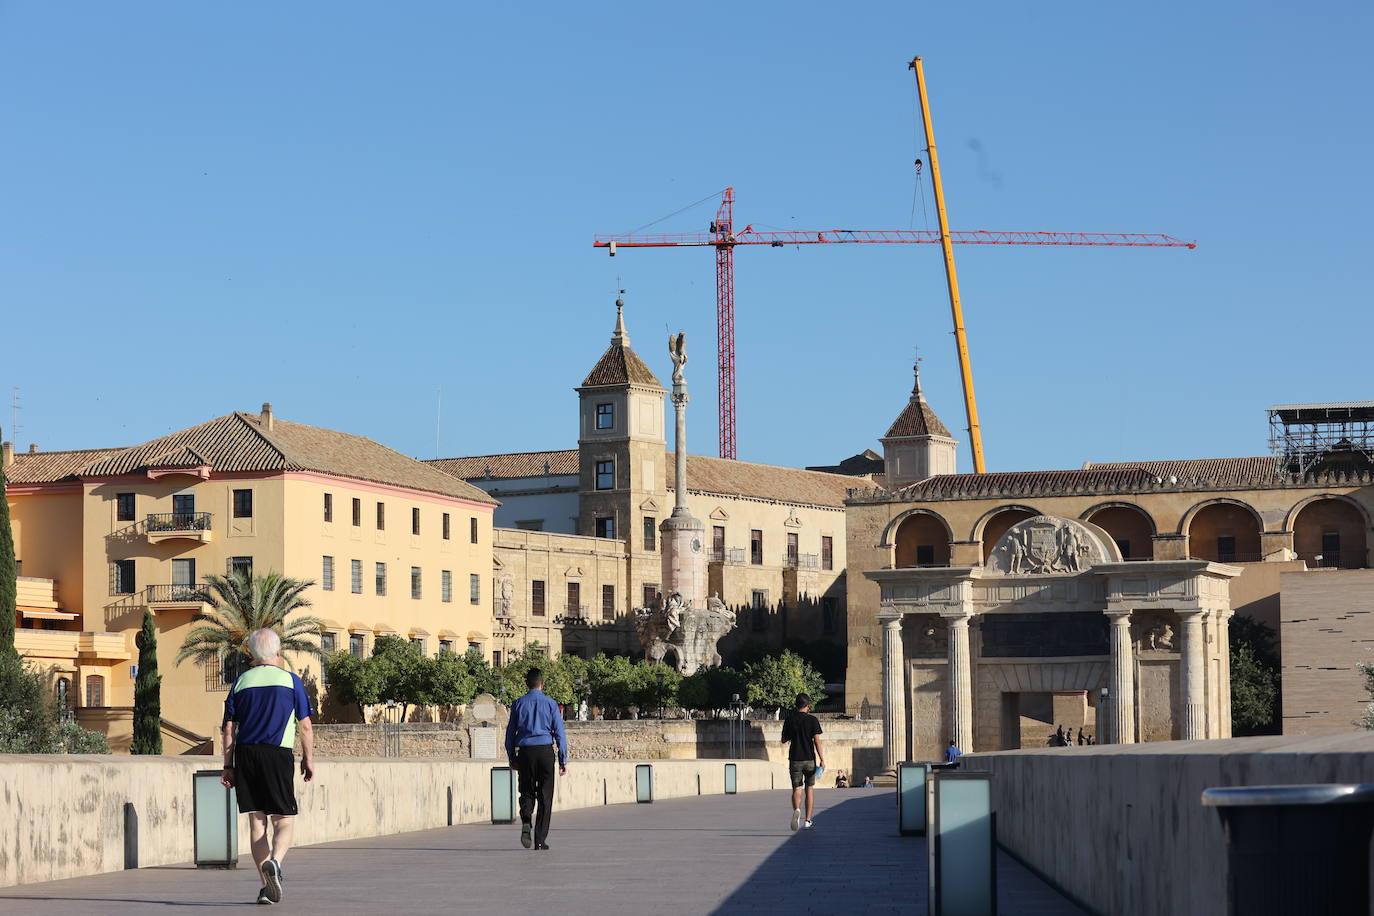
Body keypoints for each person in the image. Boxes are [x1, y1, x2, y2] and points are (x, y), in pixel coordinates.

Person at [220, 628, 315, 906]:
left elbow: (228, 728)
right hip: (277, 753)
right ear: (278, 650)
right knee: (284, 819)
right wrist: (308, 758)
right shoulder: (290, 681)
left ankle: (265, 887)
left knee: (256, 822)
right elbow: (305, 725)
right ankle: (276, 861)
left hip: (246, 754)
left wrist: (228, 765)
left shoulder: (240, 682)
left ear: (251, 652)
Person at [504, 668, 568, 851]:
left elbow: (509, 734)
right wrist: (563, 760)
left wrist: (512, 757)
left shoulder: (518, 704)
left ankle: (526, 819)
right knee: (545, 796)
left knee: (526, 790)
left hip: (525, 752)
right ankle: (540, 839)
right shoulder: (550, 704)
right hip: (545, 752)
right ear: (542, 684)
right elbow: (560, 734)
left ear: (527, 684)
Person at [780, 693, 825, 831]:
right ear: (807, 705)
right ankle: (808, 820)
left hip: (794, 759)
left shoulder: (789, 720)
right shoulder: (812, 720)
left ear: (796, 705)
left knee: (797, 788)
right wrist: (822, 758)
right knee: (809, 789)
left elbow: (783, 740)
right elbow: (817, 740)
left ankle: (797, 809)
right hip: (809, 759)